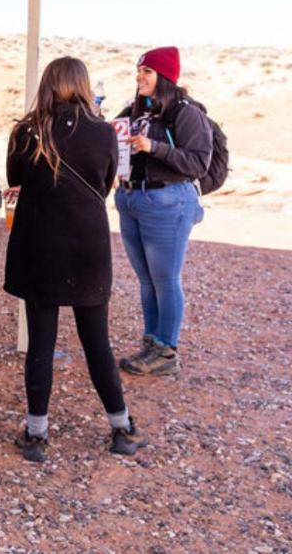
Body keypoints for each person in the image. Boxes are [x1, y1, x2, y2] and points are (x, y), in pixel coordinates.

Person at [4, 57, 144, 463]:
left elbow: (15, 177)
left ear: (48, 84)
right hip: (87, 245)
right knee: (96, 341)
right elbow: (104, 184)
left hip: (39, 243)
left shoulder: (27, 131)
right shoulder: (102, 133)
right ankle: (120, 427)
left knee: (41, 344)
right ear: (82, 86)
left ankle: (36, 434)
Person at [114, 46, 211, 377]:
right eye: (138, 70)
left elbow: (199, 161)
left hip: (168, 201)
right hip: (131, 199)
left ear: (165, 77)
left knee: (165, 278)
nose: (140, 76)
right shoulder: (134, 110)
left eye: (148, 72)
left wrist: (154, 147)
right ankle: (151, 344)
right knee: (146, 279)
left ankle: (166, 351)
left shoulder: (186, 114)